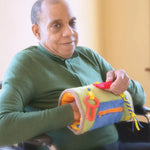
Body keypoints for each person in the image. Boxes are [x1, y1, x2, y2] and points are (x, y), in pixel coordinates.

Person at [0, 0, 149, 150]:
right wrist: (72, 112)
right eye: (56, 25)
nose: (69, 32)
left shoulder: (88, 56)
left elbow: (140, 98)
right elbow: (3, 127)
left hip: (117, 144)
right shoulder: (26, 64)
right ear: (37, 31)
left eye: (72, 23)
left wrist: (124, 82)